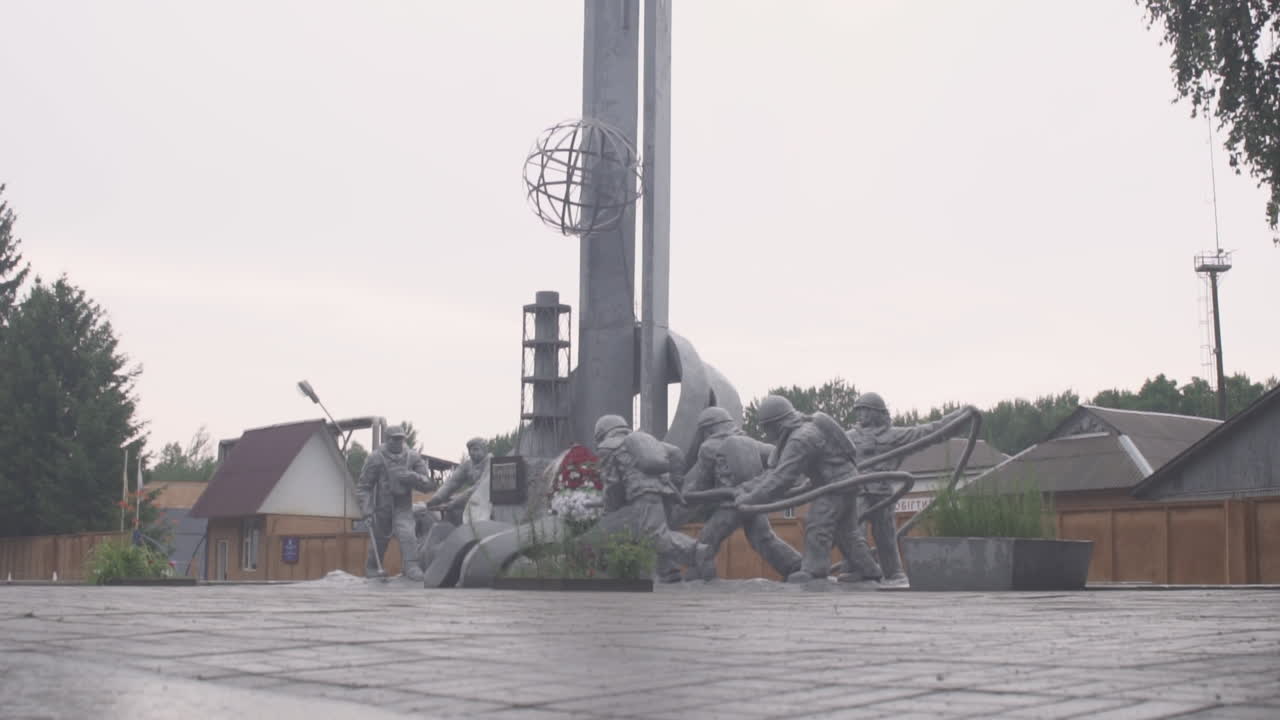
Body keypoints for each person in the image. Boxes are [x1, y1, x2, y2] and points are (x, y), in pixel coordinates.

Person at [735, 395, 882, 586]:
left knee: (818, 523)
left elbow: (782, 478)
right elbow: (773, 472)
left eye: (766, 428)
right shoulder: (799, 432)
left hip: (835, 485)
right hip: (844, 483)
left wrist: (750, 499)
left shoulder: (801, 438)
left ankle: (814, 570)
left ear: (777, 424)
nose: (765, 434)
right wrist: (746, 490)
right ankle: (869, 570)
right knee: (847, 532)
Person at [848, 393, 975, 586]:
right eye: (859, 410)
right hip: (858, 492)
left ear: (877, 413)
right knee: (853, 529)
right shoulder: (848, 437)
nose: (861, 414)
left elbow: (929, 432)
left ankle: (893, 573)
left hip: (883, 494)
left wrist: (959, 417)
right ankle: (857, 569)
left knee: (886, 537)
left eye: (865, 409)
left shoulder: (894, 435)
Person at [587, 414, 711, 579]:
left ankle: (696, 550)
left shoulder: (608, 446)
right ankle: (669, 572)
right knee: (658, 531)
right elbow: (676, 454)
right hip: (666, 491)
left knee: (653, 535)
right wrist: (676, 483)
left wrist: (611, 511)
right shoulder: (645, 441)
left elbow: (613, 485)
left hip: (643, 493)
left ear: (602, 433)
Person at [684, 407, 801, 580]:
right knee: (764, 538)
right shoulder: (749, 442)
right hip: (754, 502)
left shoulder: (708, 447)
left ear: (708, 429)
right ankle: (796, 566)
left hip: (730, 506)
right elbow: (776, 455)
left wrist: (687, 495)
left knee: (707, 540)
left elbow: (701, 481)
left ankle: (698, 578)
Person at [357, 424, 436, 580]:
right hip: (382, 506)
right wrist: (366, 509)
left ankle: (411, 566)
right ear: (387, 440)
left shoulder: (412, 457)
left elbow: (427, 484)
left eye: (401, 439)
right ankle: (372, 567)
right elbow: (364, 487)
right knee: (380, 538)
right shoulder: (376, 458)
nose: (398, 442)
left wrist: (413, 477)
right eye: (394, 439)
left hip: (403, 505)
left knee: (407, 533)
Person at [428, 437, 490, 525]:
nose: (472, 453)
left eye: (476, 449)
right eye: (470, 450)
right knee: (450, 512)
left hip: (487, 502)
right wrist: (436, 499)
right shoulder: (468, 464)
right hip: (471, 500)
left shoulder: (491, 463)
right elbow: (452, 482)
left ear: (485, 450)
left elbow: (478, 487)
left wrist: (453, 503)